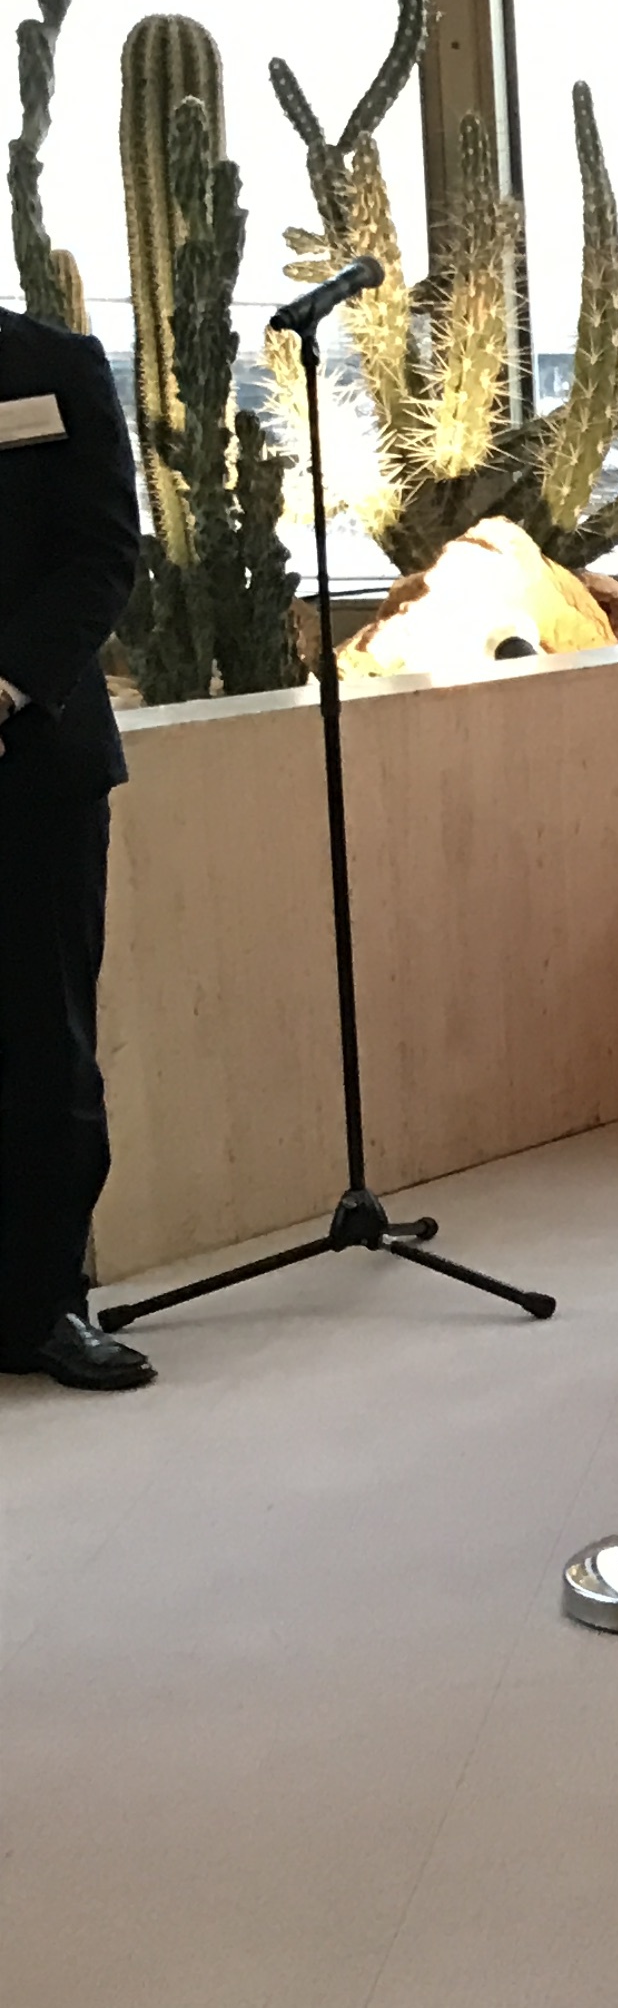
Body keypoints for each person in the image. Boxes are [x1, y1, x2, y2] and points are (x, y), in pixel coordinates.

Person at [0, 303, 154, 1393]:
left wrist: (6, 683)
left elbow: (102, 552)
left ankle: (46, 1303)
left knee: (44, 1044)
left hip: (33, 759)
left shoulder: (53, 366)